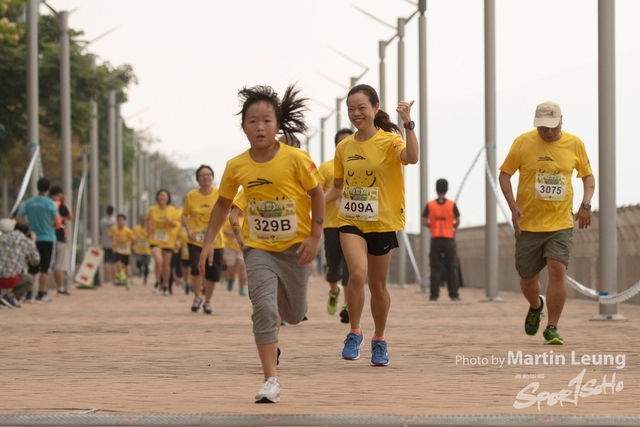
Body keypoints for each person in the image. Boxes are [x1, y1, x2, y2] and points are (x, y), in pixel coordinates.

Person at [198, 84, 324, 404]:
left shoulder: (297, 159)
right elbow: (223, 204)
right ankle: (271, 379)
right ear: (243, 127)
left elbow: (317, 194)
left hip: (295, 248)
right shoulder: (237, 165)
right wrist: (208, 242)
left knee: (293, 314)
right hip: (258, 248)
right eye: (252, 121)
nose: (260, 127)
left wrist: (315, 235)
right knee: (264, 309)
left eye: (267, 120)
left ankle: (282, 317)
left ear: (278, 124)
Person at [325, 84, 418, 366]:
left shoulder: (390, 141)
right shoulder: (344, 147)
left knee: (377, 286)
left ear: (376, 108)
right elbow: (337, 188)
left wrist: (408, 123)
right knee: (356, 274)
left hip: (383, 222)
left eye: (362, 108)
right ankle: (354, 332)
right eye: (351, 109)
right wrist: (313, 206)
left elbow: (412, 158)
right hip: (350, 220)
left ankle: (379, 339)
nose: (356, 113)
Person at [498, 101, 595, 346]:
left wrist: (586, 204)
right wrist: (512, 206)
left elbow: (587, 176)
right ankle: (535, 305)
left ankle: (552, 327)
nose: (548, 132)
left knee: (557, 269)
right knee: (528, 279)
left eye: (552, 126)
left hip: (561, 223)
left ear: (561, 121)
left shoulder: (575, 144)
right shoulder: (523, 142)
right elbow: (505, 174)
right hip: (528, 223)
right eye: (542, 127)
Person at [319, 128, 352, 322]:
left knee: (351, 267)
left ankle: (348, 304)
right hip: (332, 224)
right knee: (333, 269)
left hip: (354, 224)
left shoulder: (361, 165)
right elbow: (317, 195)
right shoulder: (326, 168)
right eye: (342, 143)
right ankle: (334, 291)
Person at [182, 165, 225, 314]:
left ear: (212, 177)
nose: (206, 177)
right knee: (195, 268)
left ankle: (207, 301)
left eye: (208, 174)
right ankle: (197, 297)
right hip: (196, 240)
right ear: (197, 179)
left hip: (215, 240)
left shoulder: (220, 194)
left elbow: (228, 211)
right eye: (202, 175)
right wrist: (188, 230)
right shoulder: (191, 196)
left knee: (213, 273)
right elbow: (184, 214)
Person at [16, 177, 60, 302]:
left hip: (32, 238)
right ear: (48, 188)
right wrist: (49, 224)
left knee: (32, 267)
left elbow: (18, 217)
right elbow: (57, 222)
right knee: (45, 268)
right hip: (47, 238)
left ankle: (29, 294)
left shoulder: (29, 202)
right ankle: (41, 294)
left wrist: (27, 227)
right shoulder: (50, 203)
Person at [421, 178, 461, 302]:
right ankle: (454, 295)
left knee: (434, 267)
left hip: (436, 238)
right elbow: (458, 221)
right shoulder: (452, 204)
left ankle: (434, 295)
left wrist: (432, 226)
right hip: (449, 238)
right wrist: (450, 226)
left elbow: (424, 221)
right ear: (447, 189)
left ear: (436, 189)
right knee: (451, 267)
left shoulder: (430, 205)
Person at [0, 219, 40, 309]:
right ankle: (9, 297)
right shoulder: (27, 241)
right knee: (28, 279)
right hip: (10, 280)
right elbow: (36, 261)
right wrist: (33, 242)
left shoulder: (3, 237)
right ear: (27, 232)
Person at [147, 189, 180, 296]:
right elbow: (148, 221)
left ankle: (165, 285)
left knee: (166, 265)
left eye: (164, 196)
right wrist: (149, 227)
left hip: (168, 241)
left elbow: (175, 225)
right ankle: (157, 282)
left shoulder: (172, 210)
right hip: (155, 239)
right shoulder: (152, 209)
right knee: (159, 261)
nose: (162, 197)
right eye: (160, 195)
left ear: (168, 198)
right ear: (157, 197)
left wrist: (169, 221)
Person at [49, 185, 73, 296]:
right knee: (59, 264)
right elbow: (70, 216)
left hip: (46, 237)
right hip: (59, 237)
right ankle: (61, 288)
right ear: (60, 194)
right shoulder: (59, 204)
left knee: (46, 265)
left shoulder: (47, 203)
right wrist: (65, 203)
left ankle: (41, 290)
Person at [222, 212, 247, 296]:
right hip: (231, 246)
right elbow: (223, 230)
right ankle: (231, 279)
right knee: (231, 268)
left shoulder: (247, 218)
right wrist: (235, 234)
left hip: (242, 247)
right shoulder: (231, 217)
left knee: (242, 266)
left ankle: (241, 287)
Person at [110, 214, 136, 289]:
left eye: (121, 220)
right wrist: (113, 241)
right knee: (117, 263)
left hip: (125, 251)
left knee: (126, 266)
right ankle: (119, 278)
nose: (120, 222)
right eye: (118, 220)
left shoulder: (128, 230)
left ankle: (128, 279)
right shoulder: (114, 229)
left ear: (124, 221)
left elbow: (134, 239)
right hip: (117, 250)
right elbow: (111, 236)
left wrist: (127, 240)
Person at [99, 205, 117, 285]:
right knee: (113, 262)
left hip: (104, 243)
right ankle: (114, 279)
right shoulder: (115, 221)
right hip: (114, 243)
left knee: (106, 261)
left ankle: (107, 279)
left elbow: (101, 231)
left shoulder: (102, 221)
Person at [133, 215, 151, 286]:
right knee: (138, 261)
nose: (143, 221)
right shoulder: (136, 228)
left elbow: (151, 236)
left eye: (145, 220)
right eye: (142, 220)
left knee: (146, 265)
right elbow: (133, 236)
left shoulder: (149, 228)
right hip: (138, 250)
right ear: (140, 220)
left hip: (147, 250)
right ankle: (140, 269)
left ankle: (145, 280)